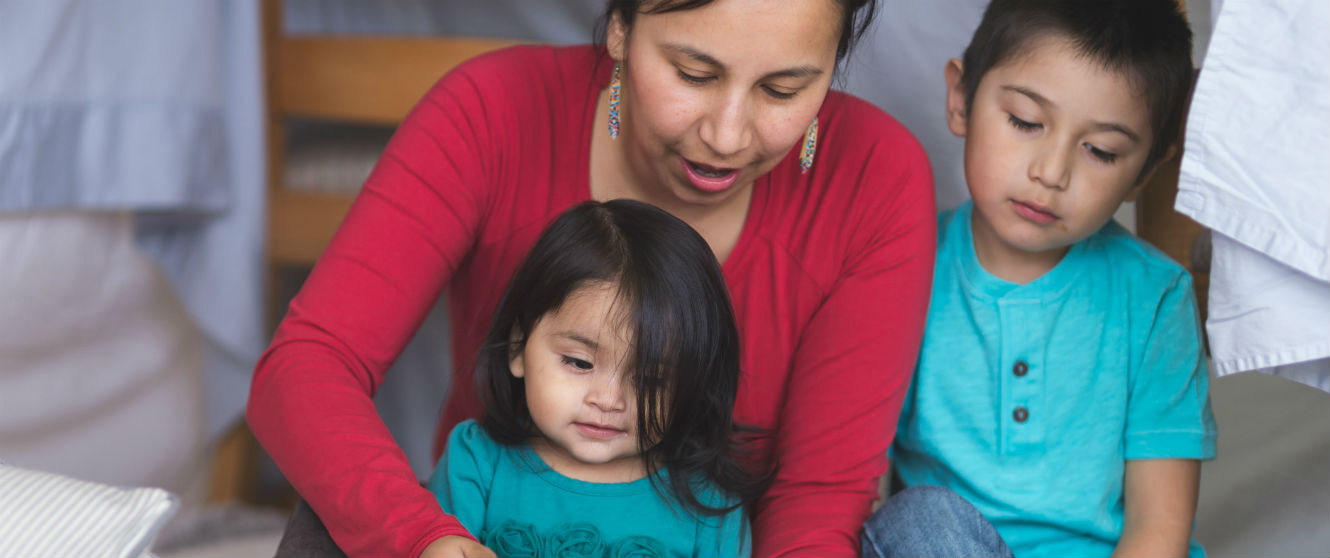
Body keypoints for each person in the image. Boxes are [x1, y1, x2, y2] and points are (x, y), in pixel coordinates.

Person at [246, 0, 937, 556]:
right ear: (619, 28)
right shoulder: (493, 111)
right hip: (471, 536)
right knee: (327, 523)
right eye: (693, 73)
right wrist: (422, 537)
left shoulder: (875, 180)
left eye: (784, 88)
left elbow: (816, 501)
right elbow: (308, 366)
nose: (728, 135)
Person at [861, 1, 1217, 557]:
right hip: (949, 545)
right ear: (961, 98)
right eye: (1026, 122)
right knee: (919, 521)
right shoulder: (901, 263)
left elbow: (1158, 529)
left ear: (1145, 170)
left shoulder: (1155, 298)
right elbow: (855, 481)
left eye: (1101, 151)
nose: (1050, 173)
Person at [426, 199, 763, 557]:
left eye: (649, 381)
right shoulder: (475, 464)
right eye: (580, 363)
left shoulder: (709, 507)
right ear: (518, 348)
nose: (607, 399)